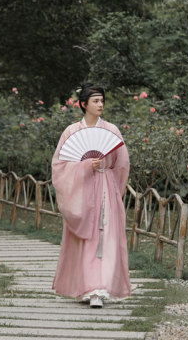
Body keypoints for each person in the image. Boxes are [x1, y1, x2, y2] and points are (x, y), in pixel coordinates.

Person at [51, 83, 130, 308]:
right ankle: (85, 287)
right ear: (83, 104)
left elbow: (122, 165)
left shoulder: (112, 131)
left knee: (105, 237)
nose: (100, 104)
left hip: (106, 186)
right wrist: (84, 166)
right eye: (95, 101)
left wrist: (115, 189)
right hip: (81, 191)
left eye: (102, 100)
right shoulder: (70, 132)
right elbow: (59, 166)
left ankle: (100, 289)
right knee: (84, 239)